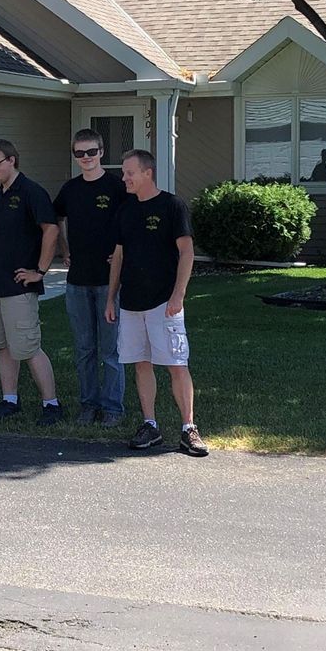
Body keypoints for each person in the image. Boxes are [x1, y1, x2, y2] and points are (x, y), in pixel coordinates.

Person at [106, 148, 208, 457]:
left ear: (147, 173)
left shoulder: (172, 206)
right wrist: (111, 297)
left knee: (177, 365)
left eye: (129, 173)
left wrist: (178, 294)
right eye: (124, 173)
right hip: (131, 302)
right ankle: (149, 425)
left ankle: (188, 428)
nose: (124, 178)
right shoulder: (125, 210)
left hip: (164, 302)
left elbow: (187, 252)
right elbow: (119, 256)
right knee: (141, 363)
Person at [0, 138, 62, 424]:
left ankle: (51, 405)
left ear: (12, 160)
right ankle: (9, 400)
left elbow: (51, 231)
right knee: (3, 346)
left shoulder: (32, 192)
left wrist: (41, 271)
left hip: (19, 287)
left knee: (28, 346)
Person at [55, 128, 127, 425]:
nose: (86, 158)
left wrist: (122, 253)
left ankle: (112, 408)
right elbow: (55, 217)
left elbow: (132, 221)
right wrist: (64, 246)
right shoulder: (70, 189)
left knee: (111, 350)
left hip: (109, 280)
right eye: (79, 153)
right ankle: (89, 405)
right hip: (77, 281)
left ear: (101, 152)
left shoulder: (116, 186)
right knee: (84, 349)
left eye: (91, 152)